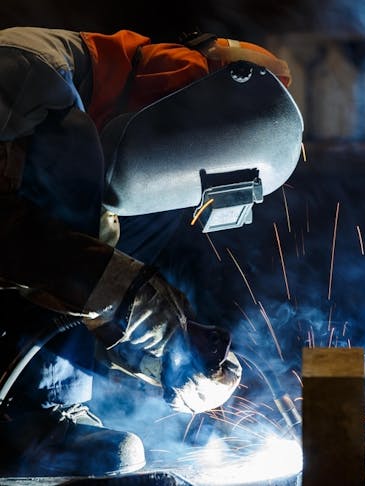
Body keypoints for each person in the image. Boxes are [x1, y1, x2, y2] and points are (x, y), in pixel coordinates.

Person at [0, 27, 302, 476]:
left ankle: (41, 415)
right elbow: (18, 244)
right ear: (181, 82)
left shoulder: (83, 129)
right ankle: (39, 419)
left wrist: (170, 354)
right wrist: (157, 323)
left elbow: (64, 292)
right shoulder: (25, 71)